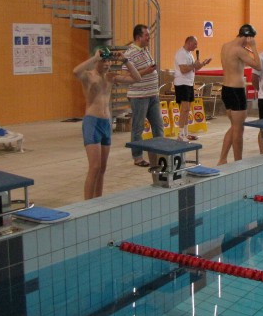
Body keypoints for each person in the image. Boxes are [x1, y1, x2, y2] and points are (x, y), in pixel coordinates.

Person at [73, 47, 141, 199]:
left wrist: (125, 60)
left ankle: (98, 200)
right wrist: (95, 58)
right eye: (103, 61)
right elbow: (75, 71)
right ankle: (87, 204)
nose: (107, 64)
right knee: (94, 167)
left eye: (108, 61)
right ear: (97, 61)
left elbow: (137, 78)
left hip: (106, 123)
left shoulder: (111, 77)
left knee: (102, 168)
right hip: (92, 122)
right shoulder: (89, 76)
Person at [217, 24, 262, 165]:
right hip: (236, 91)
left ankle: (222, 159)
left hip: (226, 89)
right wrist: (253, 47)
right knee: (238, 129)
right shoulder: (239, 50)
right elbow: (258, 65)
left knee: (234, 126)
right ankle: (238, 163)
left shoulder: (225, 46)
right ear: (248, 37)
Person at [124, 24, 164, 167]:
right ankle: (137, 157)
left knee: (158, 125)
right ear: (138, 37)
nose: (149, 38)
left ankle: (160, 153)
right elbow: (127, 76)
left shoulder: (145, 50)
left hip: (152, 95)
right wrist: (146, 71)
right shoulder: (130, 53)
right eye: (146, 35)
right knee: (138, 127)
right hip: (139, 96)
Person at [173, 36, 211, 141]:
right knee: (184, 109)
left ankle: (185, 133)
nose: (196, 46)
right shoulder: (181, 53)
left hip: (189, 83)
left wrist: (203, 63)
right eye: (195, 44)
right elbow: (183, 69)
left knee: (187, 109)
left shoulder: (189, 54)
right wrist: (194, 65)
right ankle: (180, 135)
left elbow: (194, 68)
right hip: (182, 83)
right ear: (189, 43)